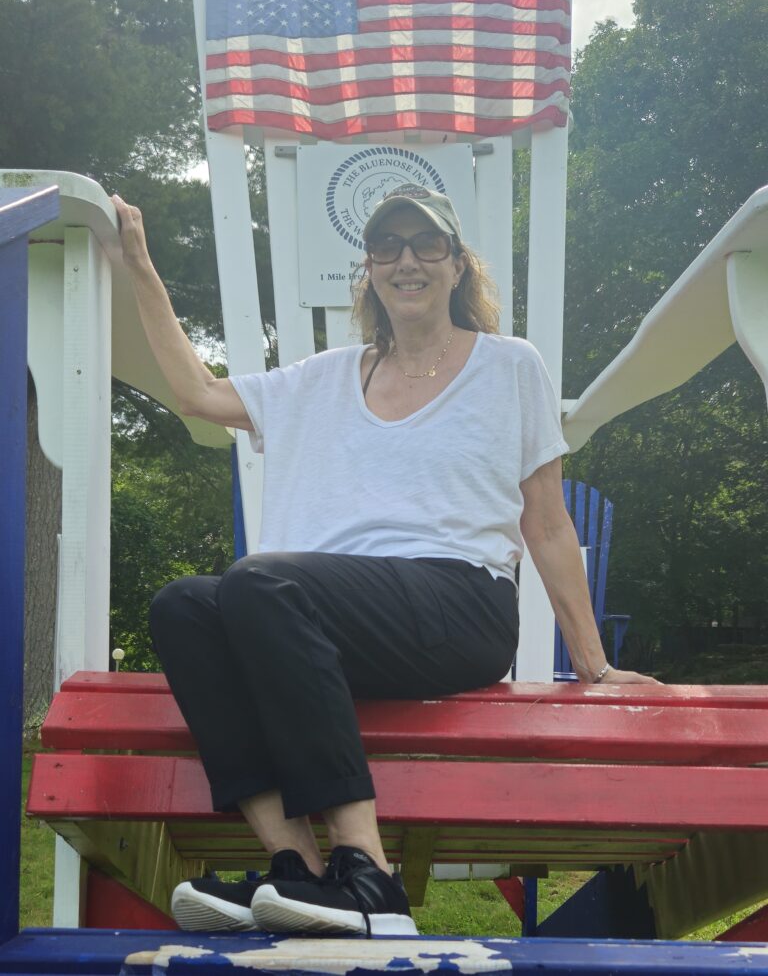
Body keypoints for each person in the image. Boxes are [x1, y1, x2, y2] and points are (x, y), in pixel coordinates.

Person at [112, 183, 657, 939]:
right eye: (387, 247)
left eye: (425, 245)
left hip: (457, 606)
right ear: (368, 269)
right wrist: (138, 263)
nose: (407, 261)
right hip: (313, 621)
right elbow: (196, 393)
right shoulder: (323, 378)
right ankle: (295, 868)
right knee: (183, 607)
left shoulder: (509, 367)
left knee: (261, 582)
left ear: (457, 265)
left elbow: (549, 523)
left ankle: (369, 880)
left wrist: (594, 664)